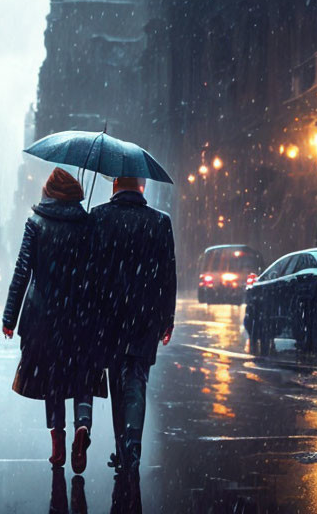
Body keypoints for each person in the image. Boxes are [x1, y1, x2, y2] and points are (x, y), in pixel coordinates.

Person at [3, 167, 107, 473]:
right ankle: (82, 428)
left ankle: (58, 443)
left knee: (53, 382)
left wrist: (10, 317)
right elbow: (97, 274)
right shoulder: (88, 224)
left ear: (49, 193)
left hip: (43, 318)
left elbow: (22, 271)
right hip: (82, 316)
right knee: (83, 375)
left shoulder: (36, 223)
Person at [90, 176, 176, 492]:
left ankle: (122, 446)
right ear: (142, 186)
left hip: (108, 316)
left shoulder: (98, 218)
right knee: (136, 379)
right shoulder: (159, 222)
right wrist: (167, 318)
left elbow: (90, 270)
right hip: (145, 316)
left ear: (115, 185)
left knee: (116, 380)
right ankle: (132, 447)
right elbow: (169, 274)